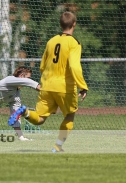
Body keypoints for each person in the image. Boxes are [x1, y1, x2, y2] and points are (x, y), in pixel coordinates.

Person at [8, 11, 88, 152]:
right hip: (65, 87)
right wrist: (83, 86)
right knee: (69, 116)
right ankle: (57, 146)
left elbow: (42, 66)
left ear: (60, 24)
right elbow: (74, 66)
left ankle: (25, 111)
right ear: (74, 24)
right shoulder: (74, 43)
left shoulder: (51, 41)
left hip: (46, 85)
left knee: (39, 118)